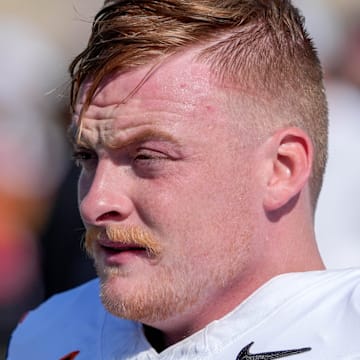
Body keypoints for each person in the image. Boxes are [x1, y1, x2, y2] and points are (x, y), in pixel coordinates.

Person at [7, 0, 360, 359]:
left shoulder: (347, 330)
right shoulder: (49, 334)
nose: (95, 203)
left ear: (280, 168)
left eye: (147, 157)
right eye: (87, 157)